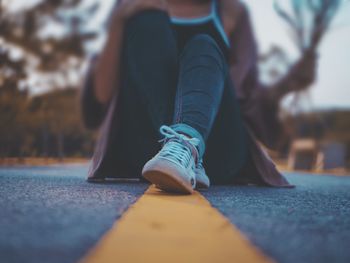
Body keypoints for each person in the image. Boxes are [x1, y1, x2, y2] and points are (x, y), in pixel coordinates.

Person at [80, 0, 316, 194]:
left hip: (216, 152)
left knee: (204, 44)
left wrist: (288, 84)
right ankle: (177, 149)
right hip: (145, 150)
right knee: (147, 22)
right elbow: (103, 95)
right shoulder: (131, 6)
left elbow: (247, 96)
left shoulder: (230, 11)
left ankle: (186, 145)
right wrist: (119, 19)